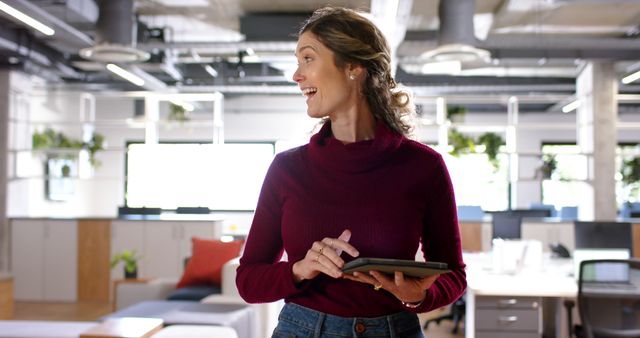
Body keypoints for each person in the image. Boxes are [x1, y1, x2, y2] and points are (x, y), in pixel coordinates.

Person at [236, 6, 466, 338]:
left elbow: (454, 274)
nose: (296, 75)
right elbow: (248, 282)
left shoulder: (423, 167)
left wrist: (420, 296)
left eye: (308, 58)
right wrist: (301, 269)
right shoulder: (287, 169)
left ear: (353, 67)